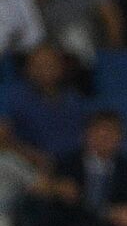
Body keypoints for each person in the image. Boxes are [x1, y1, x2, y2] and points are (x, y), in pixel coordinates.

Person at [19, 109, 127, 226]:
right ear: (86, 135)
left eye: (111, 133)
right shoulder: (67, 164)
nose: (104, 137)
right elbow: (59, 203)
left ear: (121, 139)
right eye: (99, 132)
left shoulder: (126, 168)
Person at [5, 43, 90, 171]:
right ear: (28, 69)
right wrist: (32, 156)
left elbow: (86, 136)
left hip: (71, 165)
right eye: (38, 65)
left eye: (50, 64)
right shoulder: (14, 97)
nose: (45, 69)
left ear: (61, 68)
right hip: (28, 165)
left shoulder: (74, 99)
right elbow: (3, 138)